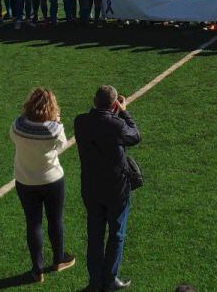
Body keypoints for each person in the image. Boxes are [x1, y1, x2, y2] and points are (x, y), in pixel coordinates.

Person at [74, 86, 140, 292]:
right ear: (113, 104)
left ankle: (95, 281)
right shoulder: (117, 124)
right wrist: (124, 111)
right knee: (116, 234)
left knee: (94, 235)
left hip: (91, 188)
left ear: (94, 100)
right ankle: (110, 279)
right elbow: (135, 135)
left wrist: (112, 110)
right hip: (116, 189)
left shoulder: (80, 121)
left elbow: (96, 121)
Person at [11, 88, 77, 282]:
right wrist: (56, 122)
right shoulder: (54, 129)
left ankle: (37, 269)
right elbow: (62, 145)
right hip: (52, 180)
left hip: (25, 180)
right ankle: (59, 259)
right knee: (55, 219)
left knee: (33, 222)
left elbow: (13, 138)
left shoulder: (18, 125)